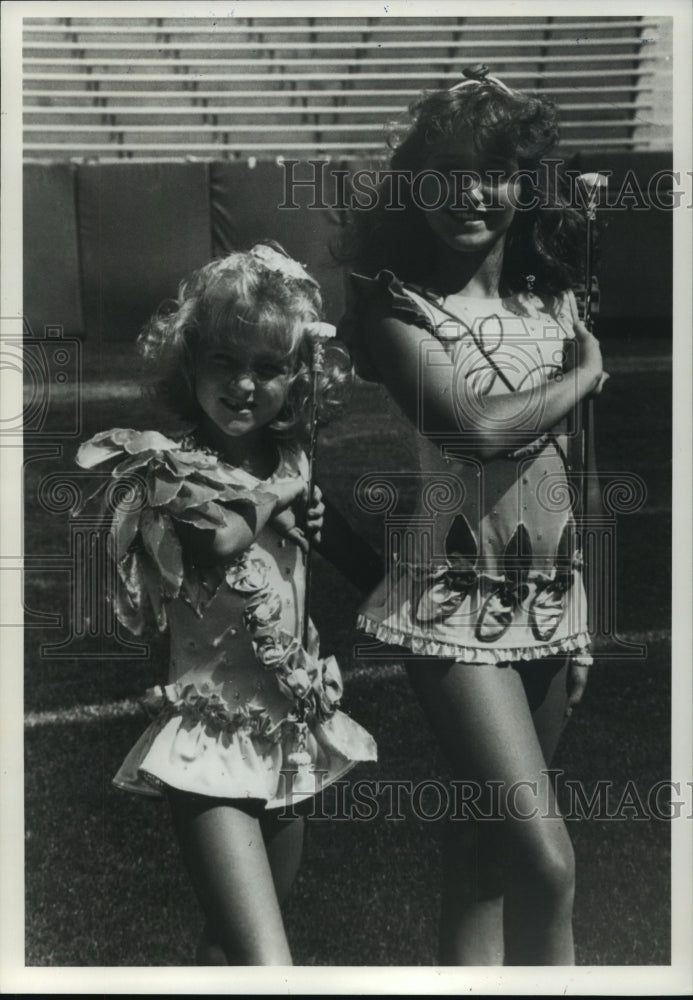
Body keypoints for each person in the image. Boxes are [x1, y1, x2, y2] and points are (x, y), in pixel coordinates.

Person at [338, 67, 609, 965]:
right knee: (547, 859)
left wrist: (581, 622)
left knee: (483, 859)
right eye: (443, 171)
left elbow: (572, 473)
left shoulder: (551, 297)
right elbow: (473, 432)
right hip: (448, 606)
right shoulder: (393, 304)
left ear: (523, 183)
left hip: (547, 601)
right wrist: (581, 376)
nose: (466, 193)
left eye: (490, 171)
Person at [77, 242, 378, 965]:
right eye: (225, 362)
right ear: (189, 363)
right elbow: (217, 542)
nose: (245, 386)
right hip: (208, 738)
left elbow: (366, 567)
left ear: (298, 377)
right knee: (270, 963)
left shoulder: (293, 461)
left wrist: (317, 520)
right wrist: (280, 497)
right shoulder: (169, 465)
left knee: (232, 944)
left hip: (285, 731)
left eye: (269, 368)